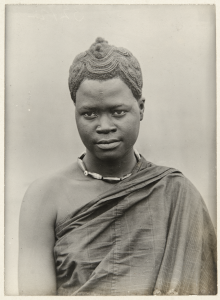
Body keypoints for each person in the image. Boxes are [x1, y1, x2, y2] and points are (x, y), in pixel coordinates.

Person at [18, 37, 217, 296]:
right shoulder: (43, 197)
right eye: (89, 113)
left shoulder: (176, 193)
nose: (104, 126)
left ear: (141, 108)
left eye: (118, 112)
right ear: (75, 113)